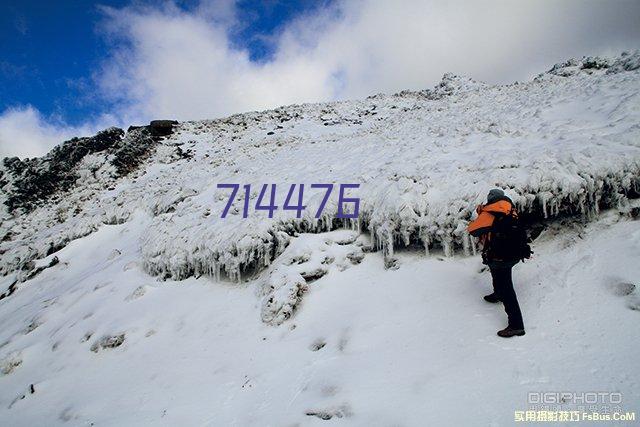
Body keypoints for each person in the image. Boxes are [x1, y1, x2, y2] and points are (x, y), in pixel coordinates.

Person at [468, 189, 525, 338]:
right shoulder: (510, 210)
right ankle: (498, 294)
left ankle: (516, 325)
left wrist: (481, 214)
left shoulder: (490, 212)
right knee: (498, 274)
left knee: (507, 289)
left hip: (499, 255)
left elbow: (473, 230)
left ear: (490, 199)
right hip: (512, 254)